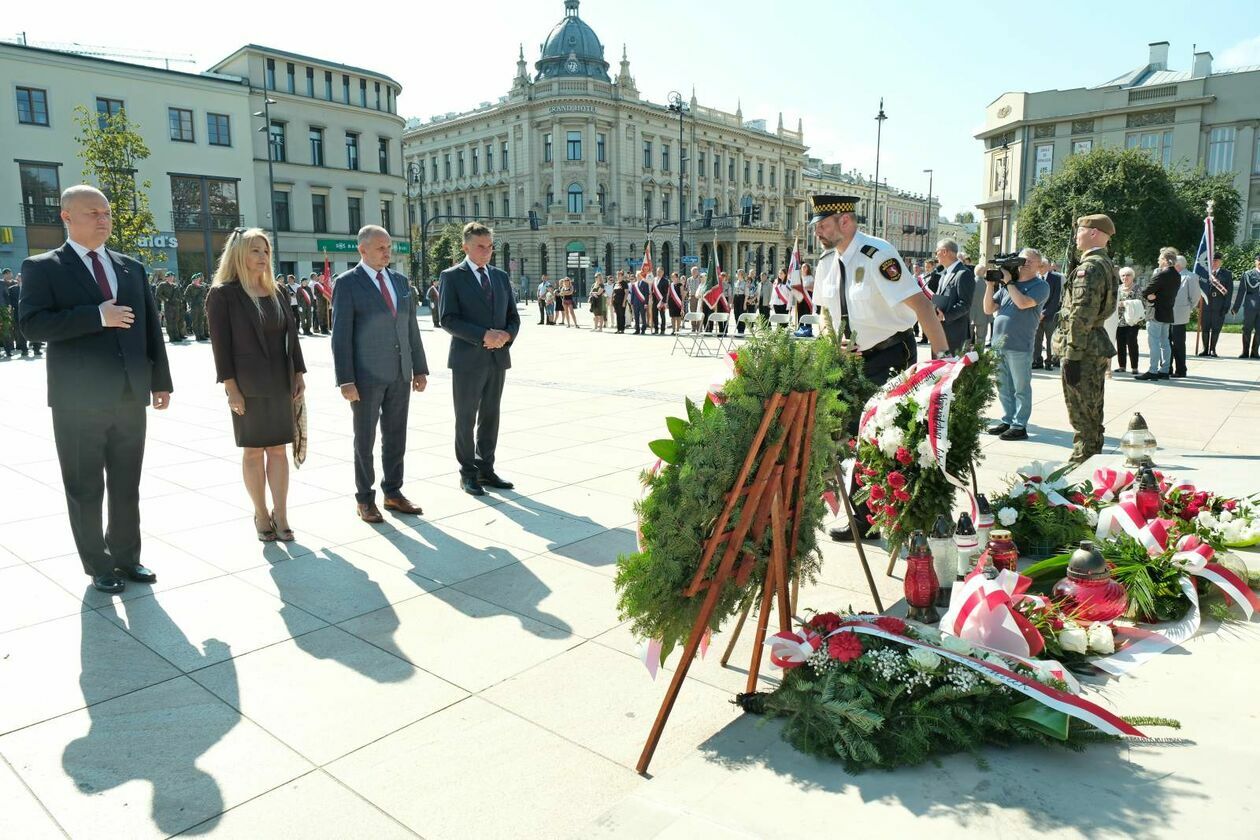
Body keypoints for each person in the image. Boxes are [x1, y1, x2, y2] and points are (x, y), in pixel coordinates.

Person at [18, 184, 172, 593]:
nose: (103, 219)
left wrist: (160, 381)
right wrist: (95, 316)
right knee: (85, 486)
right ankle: (98, 564)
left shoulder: (130, 268)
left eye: (106, 212)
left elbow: (151, 328)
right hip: (77, 400)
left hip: (127, 394)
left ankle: (127, 557)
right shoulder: (42, 267)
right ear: (66, 217)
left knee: (127, 483)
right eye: (92, 213)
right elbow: (32, 324)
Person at [809, 194, 947, 542]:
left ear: (845, 221)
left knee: (874, 431)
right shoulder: (827, 263)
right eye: (816, 227)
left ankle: (868, 516)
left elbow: (921, 306)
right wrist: (832, 342)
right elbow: (823, 315)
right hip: (848, 359)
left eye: (823, 225)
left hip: (889, 355)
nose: (818, 233)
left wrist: (943, 359)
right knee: (839, 428)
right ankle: (863, 509)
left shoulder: (877, 254)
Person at [206, 229, 306, 541]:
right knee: (252, 452)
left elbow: (292, 336)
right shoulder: (222, 295)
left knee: (278, 450)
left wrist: (299, 374)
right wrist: (230, 388)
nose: (262, 257)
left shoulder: (275, 291)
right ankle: (261, 514)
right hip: (247, 386)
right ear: (239, 255)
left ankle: (282, 513)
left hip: (280, 381)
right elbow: (220, 347)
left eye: (265, 251)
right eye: (255, 251)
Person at [332, 225, 429, 522]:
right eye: (380, 248)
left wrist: (420, 367)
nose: (388, 252)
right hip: (364, 378)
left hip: (400, 374)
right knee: (365, 439)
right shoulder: (348, 283)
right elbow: (340, 335)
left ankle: (393, 492)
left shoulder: (400, 282)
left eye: (389, 247)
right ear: (362, 250)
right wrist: (345, 379)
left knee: (396, 436)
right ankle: (365, 498)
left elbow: (411, 327)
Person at [438, 222, 519, 496]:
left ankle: (486, 468)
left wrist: (506, 336)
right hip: (467, 360)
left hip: (498, 358)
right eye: (480, 247)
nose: (487, 252)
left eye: (490, 246)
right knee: (466, 418)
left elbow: (513, 317)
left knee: (490, 415)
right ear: (466, 247)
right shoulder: (452, 277)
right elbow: (447, 319)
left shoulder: (499, 277)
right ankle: (467, 473)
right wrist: (483, 335)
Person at [1054, 214, 1118, 465]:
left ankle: (1084, 459)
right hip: (1091, 344)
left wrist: (1072, 353)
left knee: (1082, 409)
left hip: (1084, 348)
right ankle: (1091, 454)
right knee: (1092, 406)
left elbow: (1081, 314)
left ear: (1093, 233)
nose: (1076, 235)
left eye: (1080, 229)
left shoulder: (1089, 268)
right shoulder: (1103, 263)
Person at [983, 247, 1050, 441]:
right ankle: (1008, 420)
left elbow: (1023, 303)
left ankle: (1020, 425)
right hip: (998, 344)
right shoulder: (1006, 287)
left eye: (1031, 260)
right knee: (1003, 387)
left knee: (1021, 387)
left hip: (1020, 344)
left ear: (1039, 265)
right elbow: (988, 309)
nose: (1026, 263)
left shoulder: (1040, 286)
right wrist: (990, 285)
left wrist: (1009, 282)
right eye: (1023, 259)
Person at [1136, 247, 1181, 381]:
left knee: (1154, 342)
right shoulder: (1177, 275)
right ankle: (1165, 370)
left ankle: (1153, 371)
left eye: (1160, 258)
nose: (1158, 260)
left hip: (1156, 312)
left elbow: (1145, 291)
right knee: (1165, 342)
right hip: (1167, 312)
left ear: (1166, 261)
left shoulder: (1162, 274)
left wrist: (1150, 295)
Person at [931, 238, 975, 353]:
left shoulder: (963, 274)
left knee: (951, 369)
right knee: (938, 369)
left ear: (945, 251)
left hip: (955, 334)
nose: (936, 255)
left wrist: (945, 316)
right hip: (940, 331)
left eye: (937, 252)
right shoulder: (944, 273)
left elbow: (965, 304)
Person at [1171, 255, 1200, 378]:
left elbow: (1195, 297)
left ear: (1178, 265)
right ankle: (1167, 368)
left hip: (1180, 315)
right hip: (1167, 314)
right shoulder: (1170, 275)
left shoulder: (1190, 277)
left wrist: (1188, 307)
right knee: (1167, 343)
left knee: (1178, 344)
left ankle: (1181, 369)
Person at [1199, 253, 1233, 357]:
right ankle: (1205, 350)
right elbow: (1199, 288)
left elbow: (1229, 291)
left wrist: (1226, 306)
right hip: (1205, 304)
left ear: (1220, 262)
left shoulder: (1226, 274)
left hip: (1219, 305)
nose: (1214, 263)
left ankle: (1213, 349)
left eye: (1216, 261)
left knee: (1216, 328)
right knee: (1204, 328)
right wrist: (1198, 305)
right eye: (1212, 261)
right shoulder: (1205, 273)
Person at [1032, 258, 1062, 369]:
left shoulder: (1056, 279)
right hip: (1036, 315)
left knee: (1050, 340)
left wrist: (1044, 313)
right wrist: (1036, 313)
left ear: (1048, 266)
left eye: (1043, 265)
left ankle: (1049, 361)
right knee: (1037, 339)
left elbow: (1055, 299)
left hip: (1049, 315)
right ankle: (1037, 360)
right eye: (1039, 266)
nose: (1040, 268)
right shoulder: (1034, 279)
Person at [1113, 267, 1143, 374]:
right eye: (1123, 275)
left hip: (1132, 320)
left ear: (1132, 276)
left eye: (1128, 275)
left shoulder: (1137, 288)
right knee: (1120, 344)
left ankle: (1134, 367)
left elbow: (1139, 302)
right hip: (1119, 321)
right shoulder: (1118, 288)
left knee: (1132, 343)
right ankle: (1122, 366)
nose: (1125, 277)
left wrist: (1124, 303)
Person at [1233, 255, 1260, 358]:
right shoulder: (1248, 274)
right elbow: (1241, 292)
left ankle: (1255, 352)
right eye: (1258, 261)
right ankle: (1245, 352)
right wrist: (1236, 307)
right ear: (1255, 262)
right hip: (1250, 307)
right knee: (1247, 328)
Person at [154, 272, 185, 342]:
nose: (171, 278)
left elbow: (180, 296)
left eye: (172, 277)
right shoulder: (162, 285)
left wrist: (179, 300)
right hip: (168, 306)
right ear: (166, 278)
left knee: (176, 321)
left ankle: (177, 336)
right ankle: (172, 337)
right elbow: (157, 294)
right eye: (169, 277)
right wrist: (166, 299)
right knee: (170, 322)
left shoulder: (175, 286)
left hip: (176, 306)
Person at [183, 273, 210, 341]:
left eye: (198, 279)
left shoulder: (202, 287)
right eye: (195, 280)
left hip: (201, 306)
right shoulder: (190, 287)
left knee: (201, 321)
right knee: (195, 322)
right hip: (194, 306)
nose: (197, 281)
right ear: (193, 280)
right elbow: (186, 296)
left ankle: (202, 335)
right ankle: (197, 335)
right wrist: (190, 302)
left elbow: (205, 296)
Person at [630, 270, 649, 335]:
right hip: (635, 303)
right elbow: (633, 294)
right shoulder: (634, 284)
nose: (638, 276)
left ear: (641, 276)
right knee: (636, 317)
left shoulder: (645, 284)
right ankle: (637, 329)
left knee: (643, 316)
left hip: (642, 303)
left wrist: (646, 303)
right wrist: (632, 303)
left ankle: (643, 329)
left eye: (639, 275)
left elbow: (646, 294)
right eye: (637, 275)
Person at [653, 267, 669, 335]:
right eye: (657, 271)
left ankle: (662, 330)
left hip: (661, 301)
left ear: (663, 272)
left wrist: (663, 302)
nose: (658, 273)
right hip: (654, 300)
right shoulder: (654, 280)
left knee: (662, 315)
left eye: (659, 271)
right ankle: (656, 329)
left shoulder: (665, 281)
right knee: (654, 315)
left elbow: (666, 293)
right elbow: (652, 290)